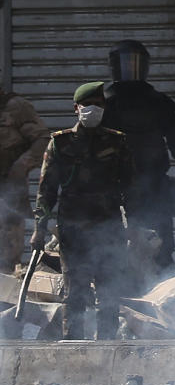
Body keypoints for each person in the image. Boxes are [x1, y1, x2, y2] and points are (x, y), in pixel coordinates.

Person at [31, 81, 134, 340]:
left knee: (109, 288)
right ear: (76, 108)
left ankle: (107, 344)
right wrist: (38, 231)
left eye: (98, 105)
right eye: (88, 105)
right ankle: (73, 345)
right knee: (75, 291)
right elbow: (46, 192)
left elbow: (131, 187)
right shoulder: (60, 143)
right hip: (73, 229)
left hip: (108, 225)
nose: (93, 110)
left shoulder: (117, 141)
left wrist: (133, 225)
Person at [101, 40, 175, 275]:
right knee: (115, 242)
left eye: (135, 62)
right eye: (125, 63)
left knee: (160, 241)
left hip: (154, 183)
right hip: (115, 184)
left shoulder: (158, 103)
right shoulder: (104, 104)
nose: (131, 68)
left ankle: (162, 292)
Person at [0, 87, 49, 273]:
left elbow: (42, 140)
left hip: (8, 192)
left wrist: (21, 166)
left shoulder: (15, 107)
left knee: (6, 256)